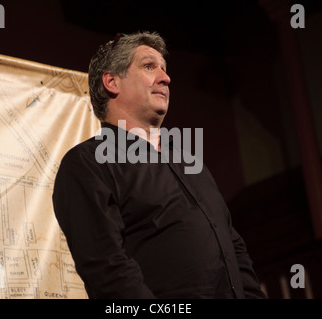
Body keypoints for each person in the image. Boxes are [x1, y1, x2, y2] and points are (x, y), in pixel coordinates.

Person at [52, 31, 266, 299]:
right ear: (112, 82)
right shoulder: (87, 165)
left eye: (164, 69)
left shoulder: (190, 161)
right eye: (149, 66)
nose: (165, 78)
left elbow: (232, 245)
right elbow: (108, 270)